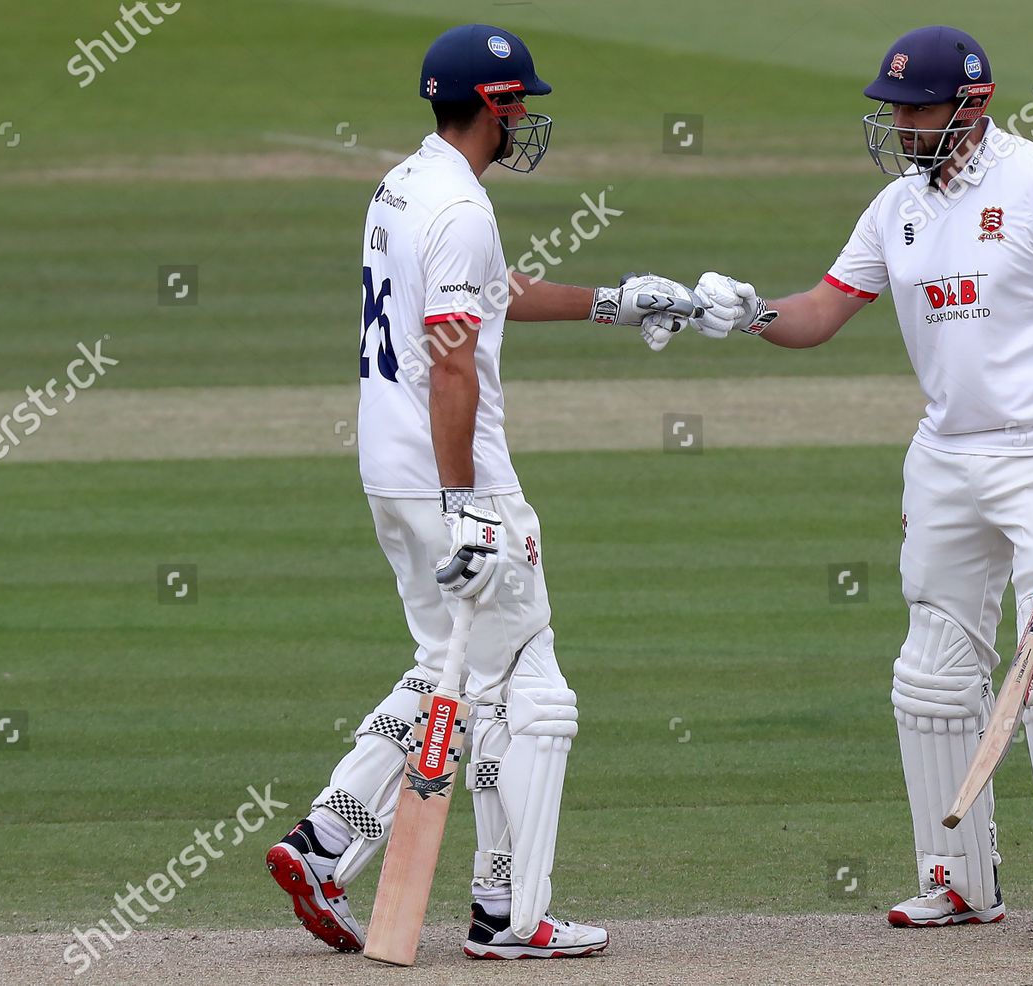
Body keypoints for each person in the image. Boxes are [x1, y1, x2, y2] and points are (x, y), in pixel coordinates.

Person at [690, 25, 1033, 936]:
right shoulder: (896, 206)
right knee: (935, 672)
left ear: (970, 106)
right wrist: (749, 314)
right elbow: (822, 312)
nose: (899, 123)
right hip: (945, 457)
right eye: (893, 108)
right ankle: (958, 880)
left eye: (915, 107)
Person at [265, 23, 698, 960]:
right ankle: (510, 913)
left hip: (391, 474)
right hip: (454, 479)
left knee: (450, 669)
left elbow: (493, 295)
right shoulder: (457, 206)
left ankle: (327, 837)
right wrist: (469, 503)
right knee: (531, 687)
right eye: (522, 104)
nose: (528, 120)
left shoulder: (405, 185)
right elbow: (453, 363)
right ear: (494, 107)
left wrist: (619, 301)